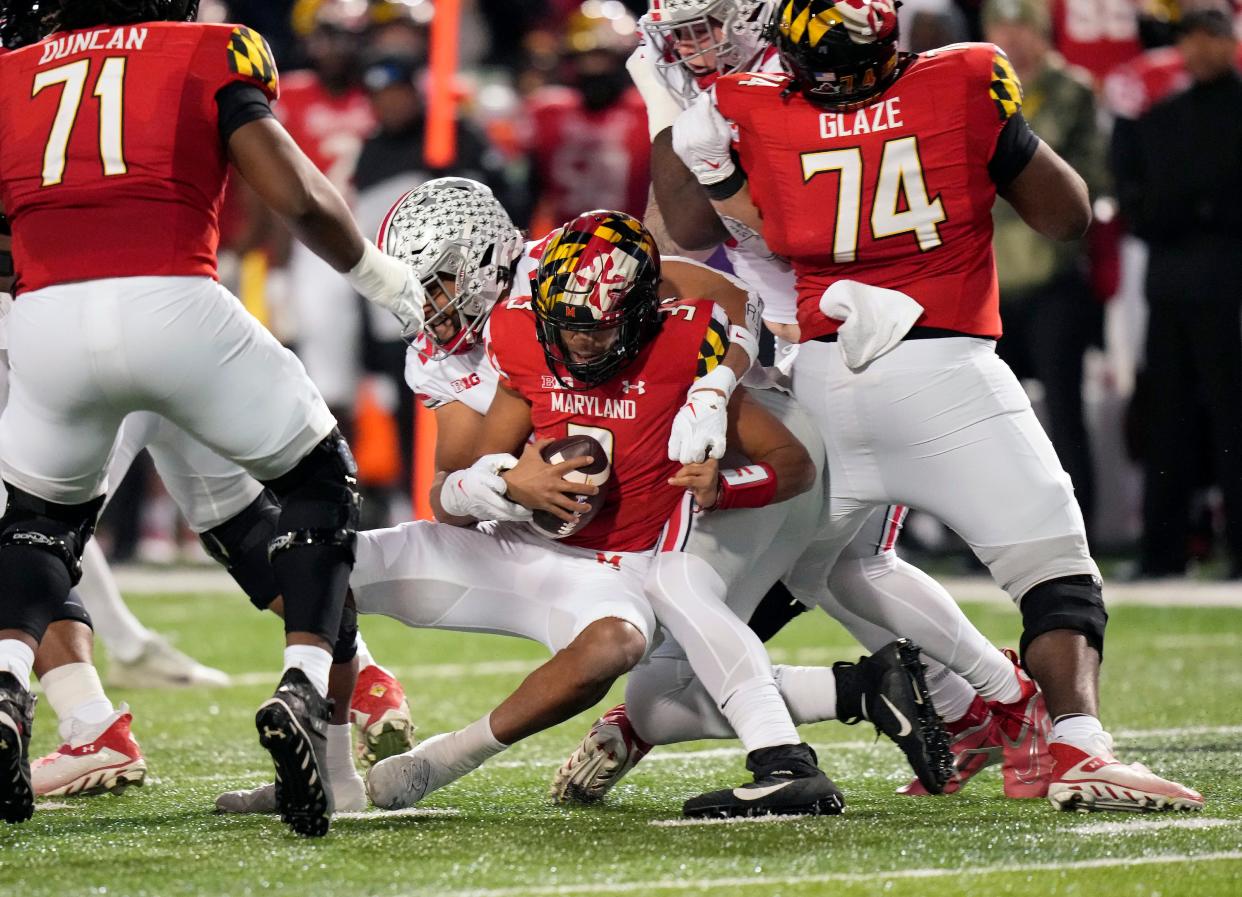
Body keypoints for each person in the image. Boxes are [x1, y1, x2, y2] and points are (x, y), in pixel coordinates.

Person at [670, 0, 1204, 812]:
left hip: (822, 380)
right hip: (945, 369)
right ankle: (1076, 743)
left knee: (829, 566)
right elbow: (1063, 215)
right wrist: (1002, 136)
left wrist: (703, 152)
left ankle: (966, 711)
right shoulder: (961, 76)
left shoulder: (752, 104)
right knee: (1053, 567)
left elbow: (723, 229)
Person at [576, 0, 1053, 802]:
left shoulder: (802, 72)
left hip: (864, 336)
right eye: (678, 31)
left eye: (706, 24)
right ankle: (975, 708)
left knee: (838, 561)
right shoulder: (726, 80)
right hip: (782, 346)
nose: (691, 46)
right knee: (820, 563)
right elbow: (667, 240)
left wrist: (674, 110)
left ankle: (1002, 699)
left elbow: (696, 223)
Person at [0, 0, 423, 834]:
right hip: (176, 300)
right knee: (316, 474)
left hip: (45, 317)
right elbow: (296, 193)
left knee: (33, 524)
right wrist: (384, 280)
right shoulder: (206, 50)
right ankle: (308, 683)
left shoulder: (14, 74)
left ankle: (9, 686)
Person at [1112, 6, 1242, 580]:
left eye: (1208, 37)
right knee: (1168, 419)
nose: (1196, 49)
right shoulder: (1162, 117)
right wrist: (1198, 207)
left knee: (1232, 418)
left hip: (1227, 284)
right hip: (1169, 284)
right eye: (1188, 38)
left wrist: (1185, 206)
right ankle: (1162, 551)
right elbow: (1139, 202)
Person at [985, 0, 1108, 535]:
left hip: (1054, 274)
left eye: (1019, 26)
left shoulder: (1072, 89)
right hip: (989, 277)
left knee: (1063, 409)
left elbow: (1093, 179)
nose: (1010, 37)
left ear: (1041, 33)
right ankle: (993, 534)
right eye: (1000, 26)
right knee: (986, 419)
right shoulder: (974, 91)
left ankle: (1078, 530)